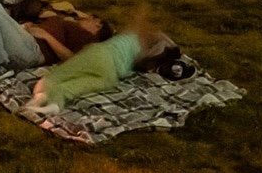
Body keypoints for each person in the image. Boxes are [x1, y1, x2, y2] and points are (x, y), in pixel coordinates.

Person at [26, 21, 184, 114]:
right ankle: (55, 103)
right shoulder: (140, 61)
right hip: (111, 77)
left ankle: (41, 97)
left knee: (54, 78)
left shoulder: (130, 38)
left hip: (100, 55)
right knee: (73, 87)